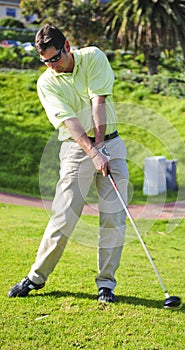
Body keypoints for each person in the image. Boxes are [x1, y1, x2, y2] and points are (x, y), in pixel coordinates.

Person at [8, 24, 128, 303]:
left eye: (55, 58)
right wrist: (93, 152)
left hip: (110, 141)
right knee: (64, 214)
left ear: (68, 47)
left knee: (114, 217)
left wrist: (102, 149)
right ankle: (36, 277)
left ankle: (106, 284)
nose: (51, 65)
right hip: (76, 148)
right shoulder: (46, 82)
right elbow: (70, 123)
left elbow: (98, 101)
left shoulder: (94, 56)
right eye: (45, 61)